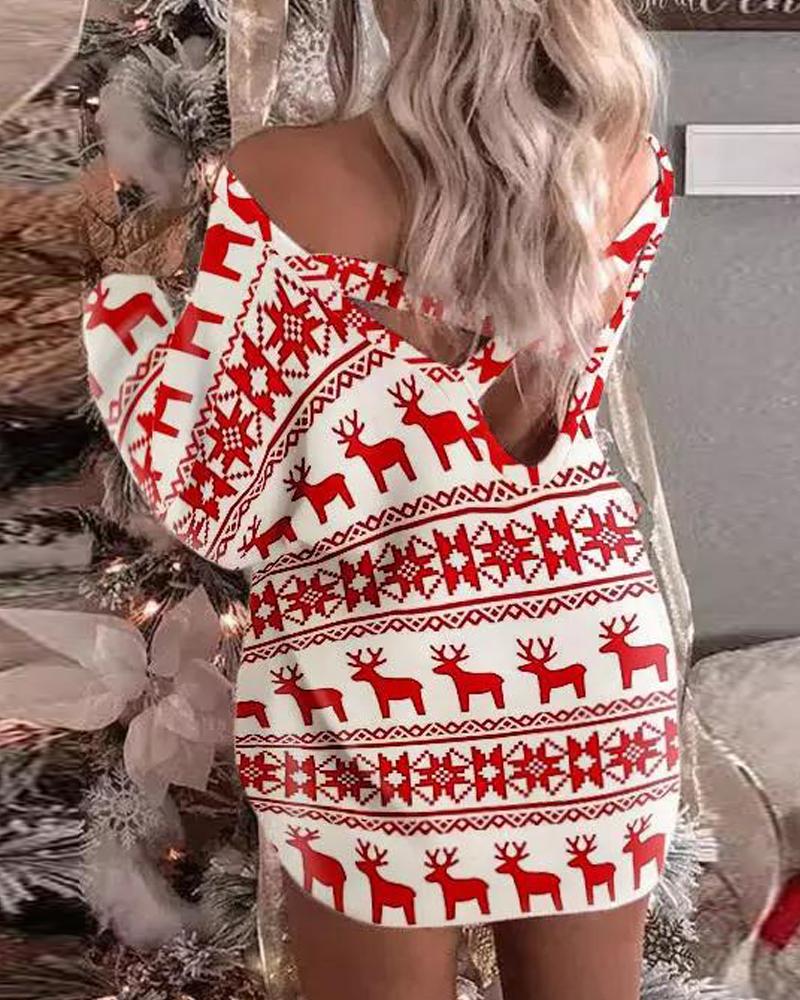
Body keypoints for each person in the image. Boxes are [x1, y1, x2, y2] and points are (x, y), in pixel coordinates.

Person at [82, 2, 680, 998]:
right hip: (591, 650)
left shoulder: (285, 174)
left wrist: (124, 320)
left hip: (372, 666)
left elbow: (218, 500)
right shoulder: (625, 154)